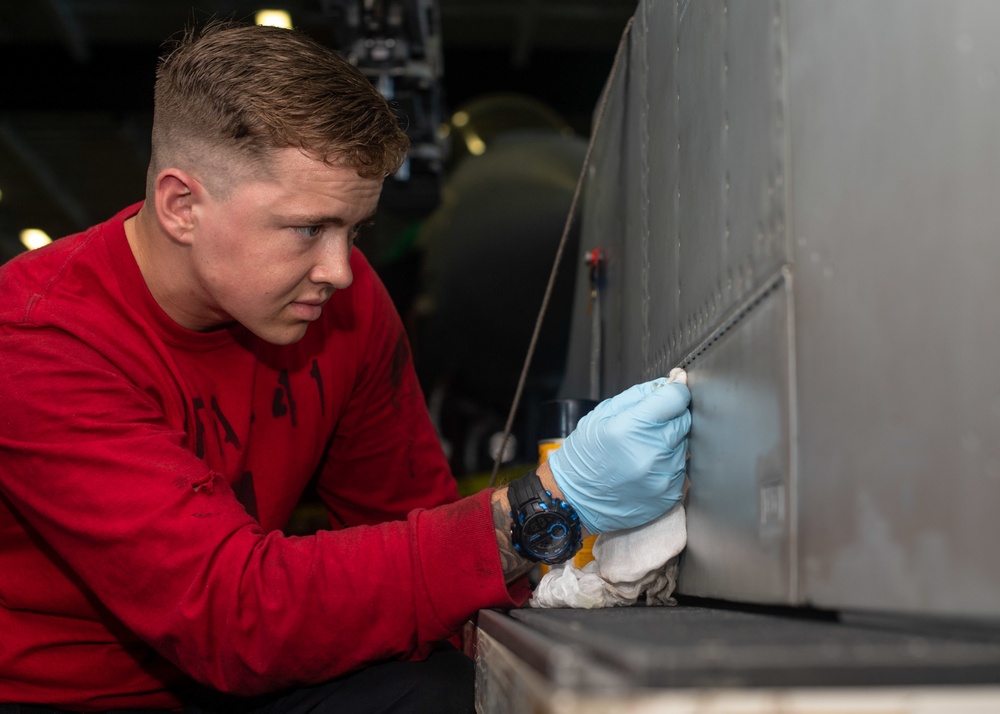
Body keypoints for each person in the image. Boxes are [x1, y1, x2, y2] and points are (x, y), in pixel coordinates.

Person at [0, 22, 692, 714]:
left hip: (235, 687)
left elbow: (412, 520)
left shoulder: (341, 302)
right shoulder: (38, 339)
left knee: (453, 695)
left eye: (353, 230)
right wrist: (545, 507)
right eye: (307, 228)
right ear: (183, 206)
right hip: (80, 698)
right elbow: (231, 616)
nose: (338, 270)